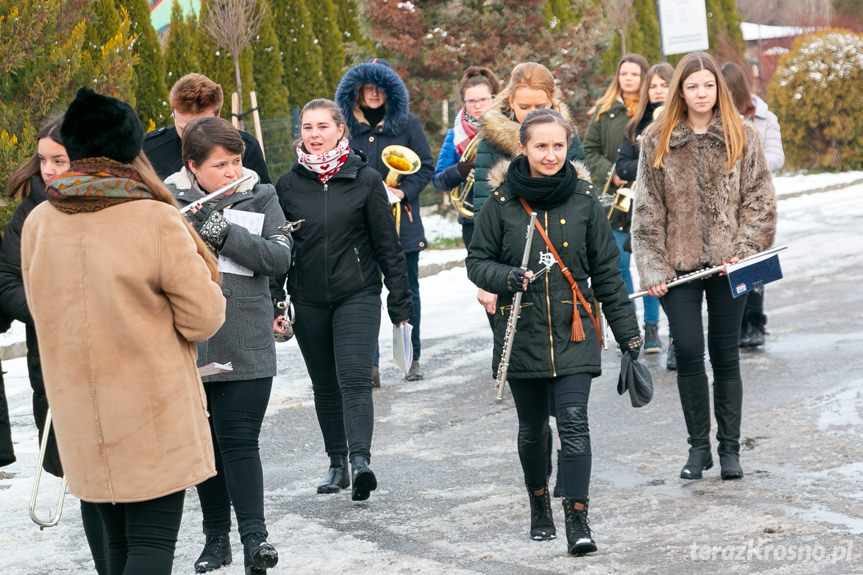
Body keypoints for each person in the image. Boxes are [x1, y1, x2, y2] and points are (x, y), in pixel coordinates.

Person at [19, 87, 226, 574]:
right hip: (150, 414)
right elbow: (203, 317)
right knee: (151, 547)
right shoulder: (154, 218)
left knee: (112, 552)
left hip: (78, 415)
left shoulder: (40, 222)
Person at [466, 109, 641, 556]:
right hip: (521, 333)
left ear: (568, 147)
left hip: (574, 331)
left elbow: (607, 273)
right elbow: (477, 262)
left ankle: (577, 519)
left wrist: (628, 335)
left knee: (574, 424)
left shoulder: (584, 200)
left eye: (558, 145)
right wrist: (506, 277)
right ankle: (539, 502)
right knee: (531, 430)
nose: (550, 154)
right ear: (523, 148)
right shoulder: (500, 203)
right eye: (540, 146)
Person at [631, 52, 777, 482]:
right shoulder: (656, 139)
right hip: (679, 268)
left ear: (718, 89)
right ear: (680, 90)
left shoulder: (742, 136)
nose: (700, 93)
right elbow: (647, 212)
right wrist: (653, 268)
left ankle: (729, 449)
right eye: (692, 86)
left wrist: (746, 249)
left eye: (708, 85)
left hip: (730, 266)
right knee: (690, 351)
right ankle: (699, 448)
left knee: (725, 353)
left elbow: (760, 201)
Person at [164, 115, 291, 574]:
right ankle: (216, 540)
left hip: (247, 340)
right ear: (193, 167)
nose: (233, 172)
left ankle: (255, 539)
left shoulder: (263, 195)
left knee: (239, 442)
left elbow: (278, 257)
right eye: (221, 165)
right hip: (191, 345)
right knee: (207, 449)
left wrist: (224, 233)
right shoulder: (167, 203)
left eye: (236, 161)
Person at [276, 98, 413, 500]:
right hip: (309, 299)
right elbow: (279, 248)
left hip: (358, 293)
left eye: (322, 127)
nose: (314, 135)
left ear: (340, 131)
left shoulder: (366, 180)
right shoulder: (288, 186)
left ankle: (361, 461)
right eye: (307, 127)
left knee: (354, 379)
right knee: (324, 385)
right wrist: (275, 300)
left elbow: (388, 246)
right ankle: (337, 463)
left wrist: (401, 303)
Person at [0, 114, 111, 574]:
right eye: (42, 159)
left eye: (59, 159)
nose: (47, 170)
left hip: (117, 358)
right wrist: (52, 308)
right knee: (84, 479)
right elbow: (6, 281)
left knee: (123, 477)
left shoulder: (117, 203)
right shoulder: (29, 213)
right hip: (56, 361)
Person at [335, 58, 434, 383]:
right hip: (358, 226)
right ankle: (369, 366)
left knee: (407, 292)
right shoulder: (344, 128)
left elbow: (426, 168)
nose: (374, 93)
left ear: (391, 90)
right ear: (357, 90)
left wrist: (402, 193)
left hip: (401, 225)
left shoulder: (409, 124)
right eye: (368, 87)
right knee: (364, 295)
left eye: (381, 86)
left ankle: (411, 358)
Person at [471, 61, 586, 319]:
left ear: (553, 101)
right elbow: (482, 208)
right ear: (510, 102)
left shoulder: (567, 135)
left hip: (561, 248)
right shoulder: (491, 140)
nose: (533, 113)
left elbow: (584, 197)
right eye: (524, 107)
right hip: (509, 257)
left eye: (541, 107)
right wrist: (486, 277)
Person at [583, 54, 662, 353]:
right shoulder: (604, 112)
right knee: (618, 264)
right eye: (623, 73)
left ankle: (652, 327)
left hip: (647, 196)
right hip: (614, 201)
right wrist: (610, 172)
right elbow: (589, 149)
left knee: (648, 265)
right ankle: (629, 325)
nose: (628, 79)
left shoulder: (651, 113)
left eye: (634, 74)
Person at [613, 62, 675, 365]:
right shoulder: (634, 126)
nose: (658, 91)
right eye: (653, 86)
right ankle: (648, 329)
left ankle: (671, 332)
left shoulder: (683, 120)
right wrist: (647, 159)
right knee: (643, 267)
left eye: (664, 85)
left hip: (676, 209)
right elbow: (621, 168)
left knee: (673, 273)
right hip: (643, 207)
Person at [720, 61, 785, 348]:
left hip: (756, 198)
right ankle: (738, 324)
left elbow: (777, 158)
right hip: (725, 201)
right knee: (730, 262)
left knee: (755, 259)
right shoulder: (714, 119)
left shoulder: (763, 118)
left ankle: (756, 323)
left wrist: (748, 163)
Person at [144, 73, 271, 183]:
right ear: (173, 115)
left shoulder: (245, 147)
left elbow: (265, 202)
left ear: (218, 115)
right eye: (184, 129)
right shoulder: (149, 150)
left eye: (202, 128)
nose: (193, 137)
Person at [432, 66, 501, 248]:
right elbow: (439, 180)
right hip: (473, 221)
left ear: (494, 98)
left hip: (507, 217)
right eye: (471, 101)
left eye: (483, 100)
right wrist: (460, 170)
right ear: (464, 102)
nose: (477, 106)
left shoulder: (509, 128)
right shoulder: (455, 135)